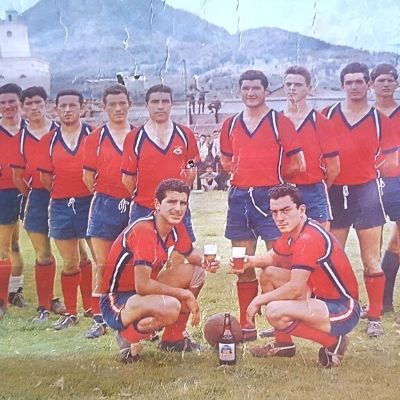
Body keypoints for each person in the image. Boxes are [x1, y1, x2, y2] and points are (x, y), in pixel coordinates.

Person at [219, 69, 305, 340]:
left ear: (266, 91)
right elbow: (226, 161)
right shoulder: (231, 124)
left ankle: (283, 331)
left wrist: (274, 183)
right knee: (242, 263)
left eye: (256, 88)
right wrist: (247, 177)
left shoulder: (280, 122)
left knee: (277, 265)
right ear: (239, 90)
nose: (251, 92)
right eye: (245, 88)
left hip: (272, 198)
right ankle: (247, 324)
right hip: (240, 196)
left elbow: (298, 164)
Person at [238, 184, 360, 368]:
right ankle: (283, 344)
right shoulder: (294, 231)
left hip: (342, 308)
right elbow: (272, 257)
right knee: (269, 274)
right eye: (275, 212)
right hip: (320, 297)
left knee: (274, 310)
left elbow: (295, 289)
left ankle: (333, 342)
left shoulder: (308, 238)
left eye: (286, 210)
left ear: (301, 210)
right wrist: (250, 261)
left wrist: (258, 300)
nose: (279, 218)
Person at [100, 179, 216, 362]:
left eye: (183, 203)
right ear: (157, 204)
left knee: (197, 273)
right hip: (117, 299)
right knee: (171, 307)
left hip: (141, 291)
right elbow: (143, 286)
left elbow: (189, 252)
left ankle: (173, 338)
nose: (178, 208)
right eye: (171, 202)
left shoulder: (175, 226)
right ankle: (127, 337)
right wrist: (185, 295)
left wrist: (205, 261)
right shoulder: (145, 230)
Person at [322, 62, 398, 337]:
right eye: (349, 82)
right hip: (335, 192)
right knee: (333, 258)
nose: (354, 87)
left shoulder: (380, 119)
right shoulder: (327, 114)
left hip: (366, 192)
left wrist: (371, 170)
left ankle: (374, 316)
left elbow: (391, 159)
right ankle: (339, 310)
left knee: (371, 259)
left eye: (359, 82)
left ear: (368, 85)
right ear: (342, 85)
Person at [37, 90, 94, 330]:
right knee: (70, 262)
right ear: (55, 109)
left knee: (100, 259)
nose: (68, 110)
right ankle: (72, 312)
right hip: (61, 204)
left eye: (73, 105)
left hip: (91, 203)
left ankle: (97, 308)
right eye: (63, 106)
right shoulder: (48, 141)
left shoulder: (94, 135)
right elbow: (44, 178)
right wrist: (64, 193)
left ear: (83, 108)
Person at [10, 86, 65, 322]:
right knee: (43, 253)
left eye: (38, 103)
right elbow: (17, 176)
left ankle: (85, 305)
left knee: (75, 253)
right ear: (22, 108)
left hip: (64, 197)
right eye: (28, 104)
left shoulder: (61, 131)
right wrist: (34, 194)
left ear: (47, 104)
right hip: (37, 197)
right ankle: (46, 304)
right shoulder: (19, 138)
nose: (33, 108)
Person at [82, 84, 133, 338]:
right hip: (104, 204)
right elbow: (87, 176)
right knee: (103, 264)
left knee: (133, 264)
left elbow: (188, 160)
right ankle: (99, 318)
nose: (117, 108)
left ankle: (131, 314)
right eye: (112, 104)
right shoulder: (95, 137)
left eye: (122, 103)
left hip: (134, 205)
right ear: (104, 107)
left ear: (129, 104)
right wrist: (107, 195)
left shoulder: (139, 134)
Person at [121, 84, 199, 242]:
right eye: (155, 102)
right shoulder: (134, 138)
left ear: (172, 104)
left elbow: (191, 168)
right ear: (146, 105)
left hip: (176, 208)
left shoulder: (186, 135)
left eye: (165, 101)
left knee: (182, 254)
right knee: (141, 257)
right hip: (144, 209)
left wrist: (178, 195)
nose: (160, 106)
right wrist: (144, 197)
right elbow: (127, 178)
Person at [282, 66, 340, 227]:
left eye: (298, 85)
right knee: (283, 246)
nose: (292, 88)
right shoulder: (275, 120)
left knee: (318, 243)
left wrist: (316, 184)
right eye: (288, 84)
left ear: (308, 88)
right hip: (282, 190)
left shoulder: (321, 122)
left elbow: (334, 167)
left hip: (313, 189)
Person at [370, 63, 400, 317]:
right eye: (381, 80)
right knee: (372, 242)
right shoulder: (365, 114)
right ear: (372, 85)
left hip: (398, 181)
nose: (386, 84)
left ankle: (385, 300)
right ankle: (373, 301)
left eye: (391, 80)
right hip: (370, 182)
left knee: (398, 240)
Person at [0, 83, 26, 318]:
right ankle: (2, 299)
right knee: (5, 246)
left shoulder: (32, 128)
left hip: (31, 192)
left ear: (20, 102)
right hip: (3, 193)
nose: (7, 106)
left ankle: (16, 289)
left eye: (11, 101)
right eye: (3, 102)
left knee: (38, 246)